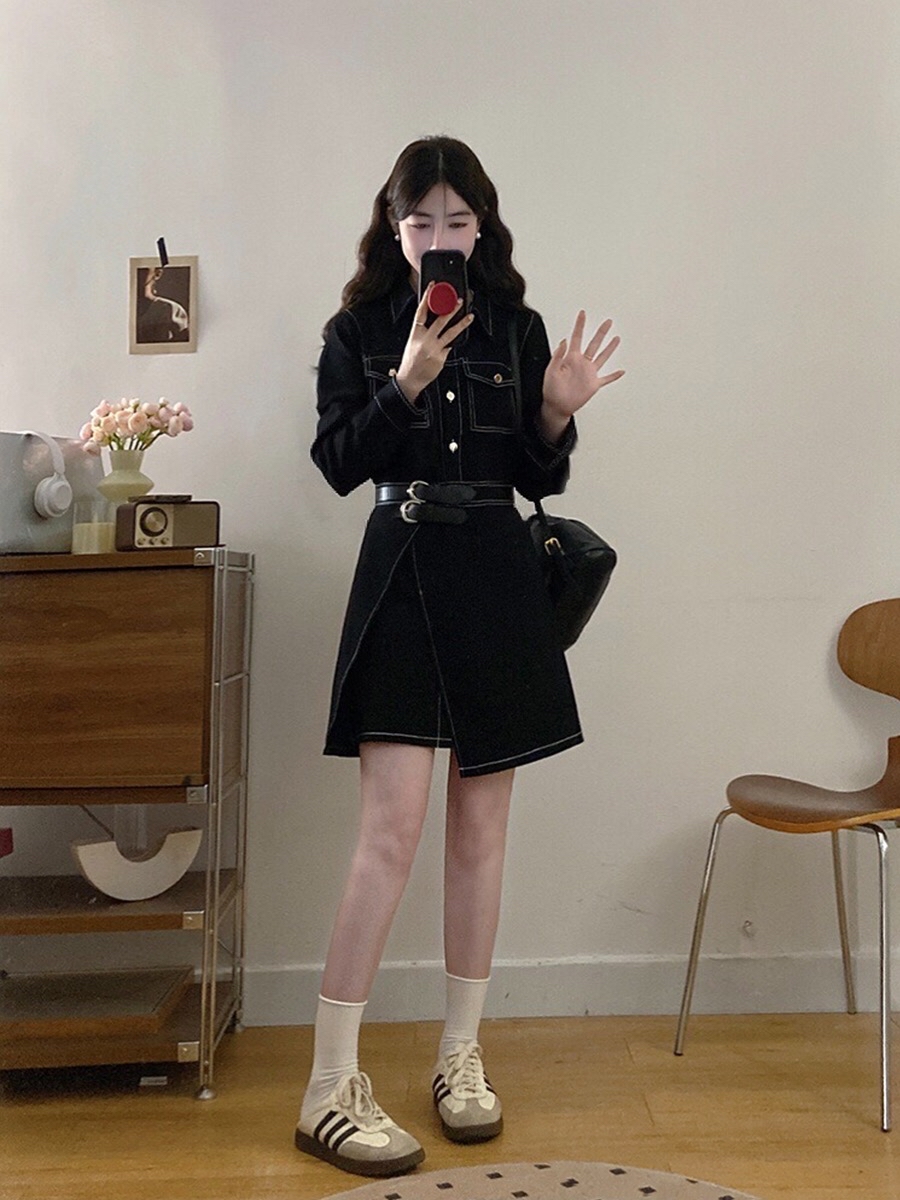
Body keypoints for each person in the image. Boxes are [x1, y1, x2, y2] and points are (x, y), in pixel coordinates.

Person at [299, 136, 624, 1178]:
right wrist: (402, 382)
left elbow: (535, 476)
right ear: (393, 227)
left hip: (495, 578)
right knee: (388, 835)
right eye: (420, 220)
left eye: (456, 219)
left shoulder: (519, 328)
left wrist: (555, 412)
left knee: (481, 836)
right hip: (400, 574)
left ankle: (460, 1057)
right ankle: (328, 1085)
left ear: (482, 227)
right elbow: (338, 463)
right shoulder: (356, 331)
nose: (438, 236)